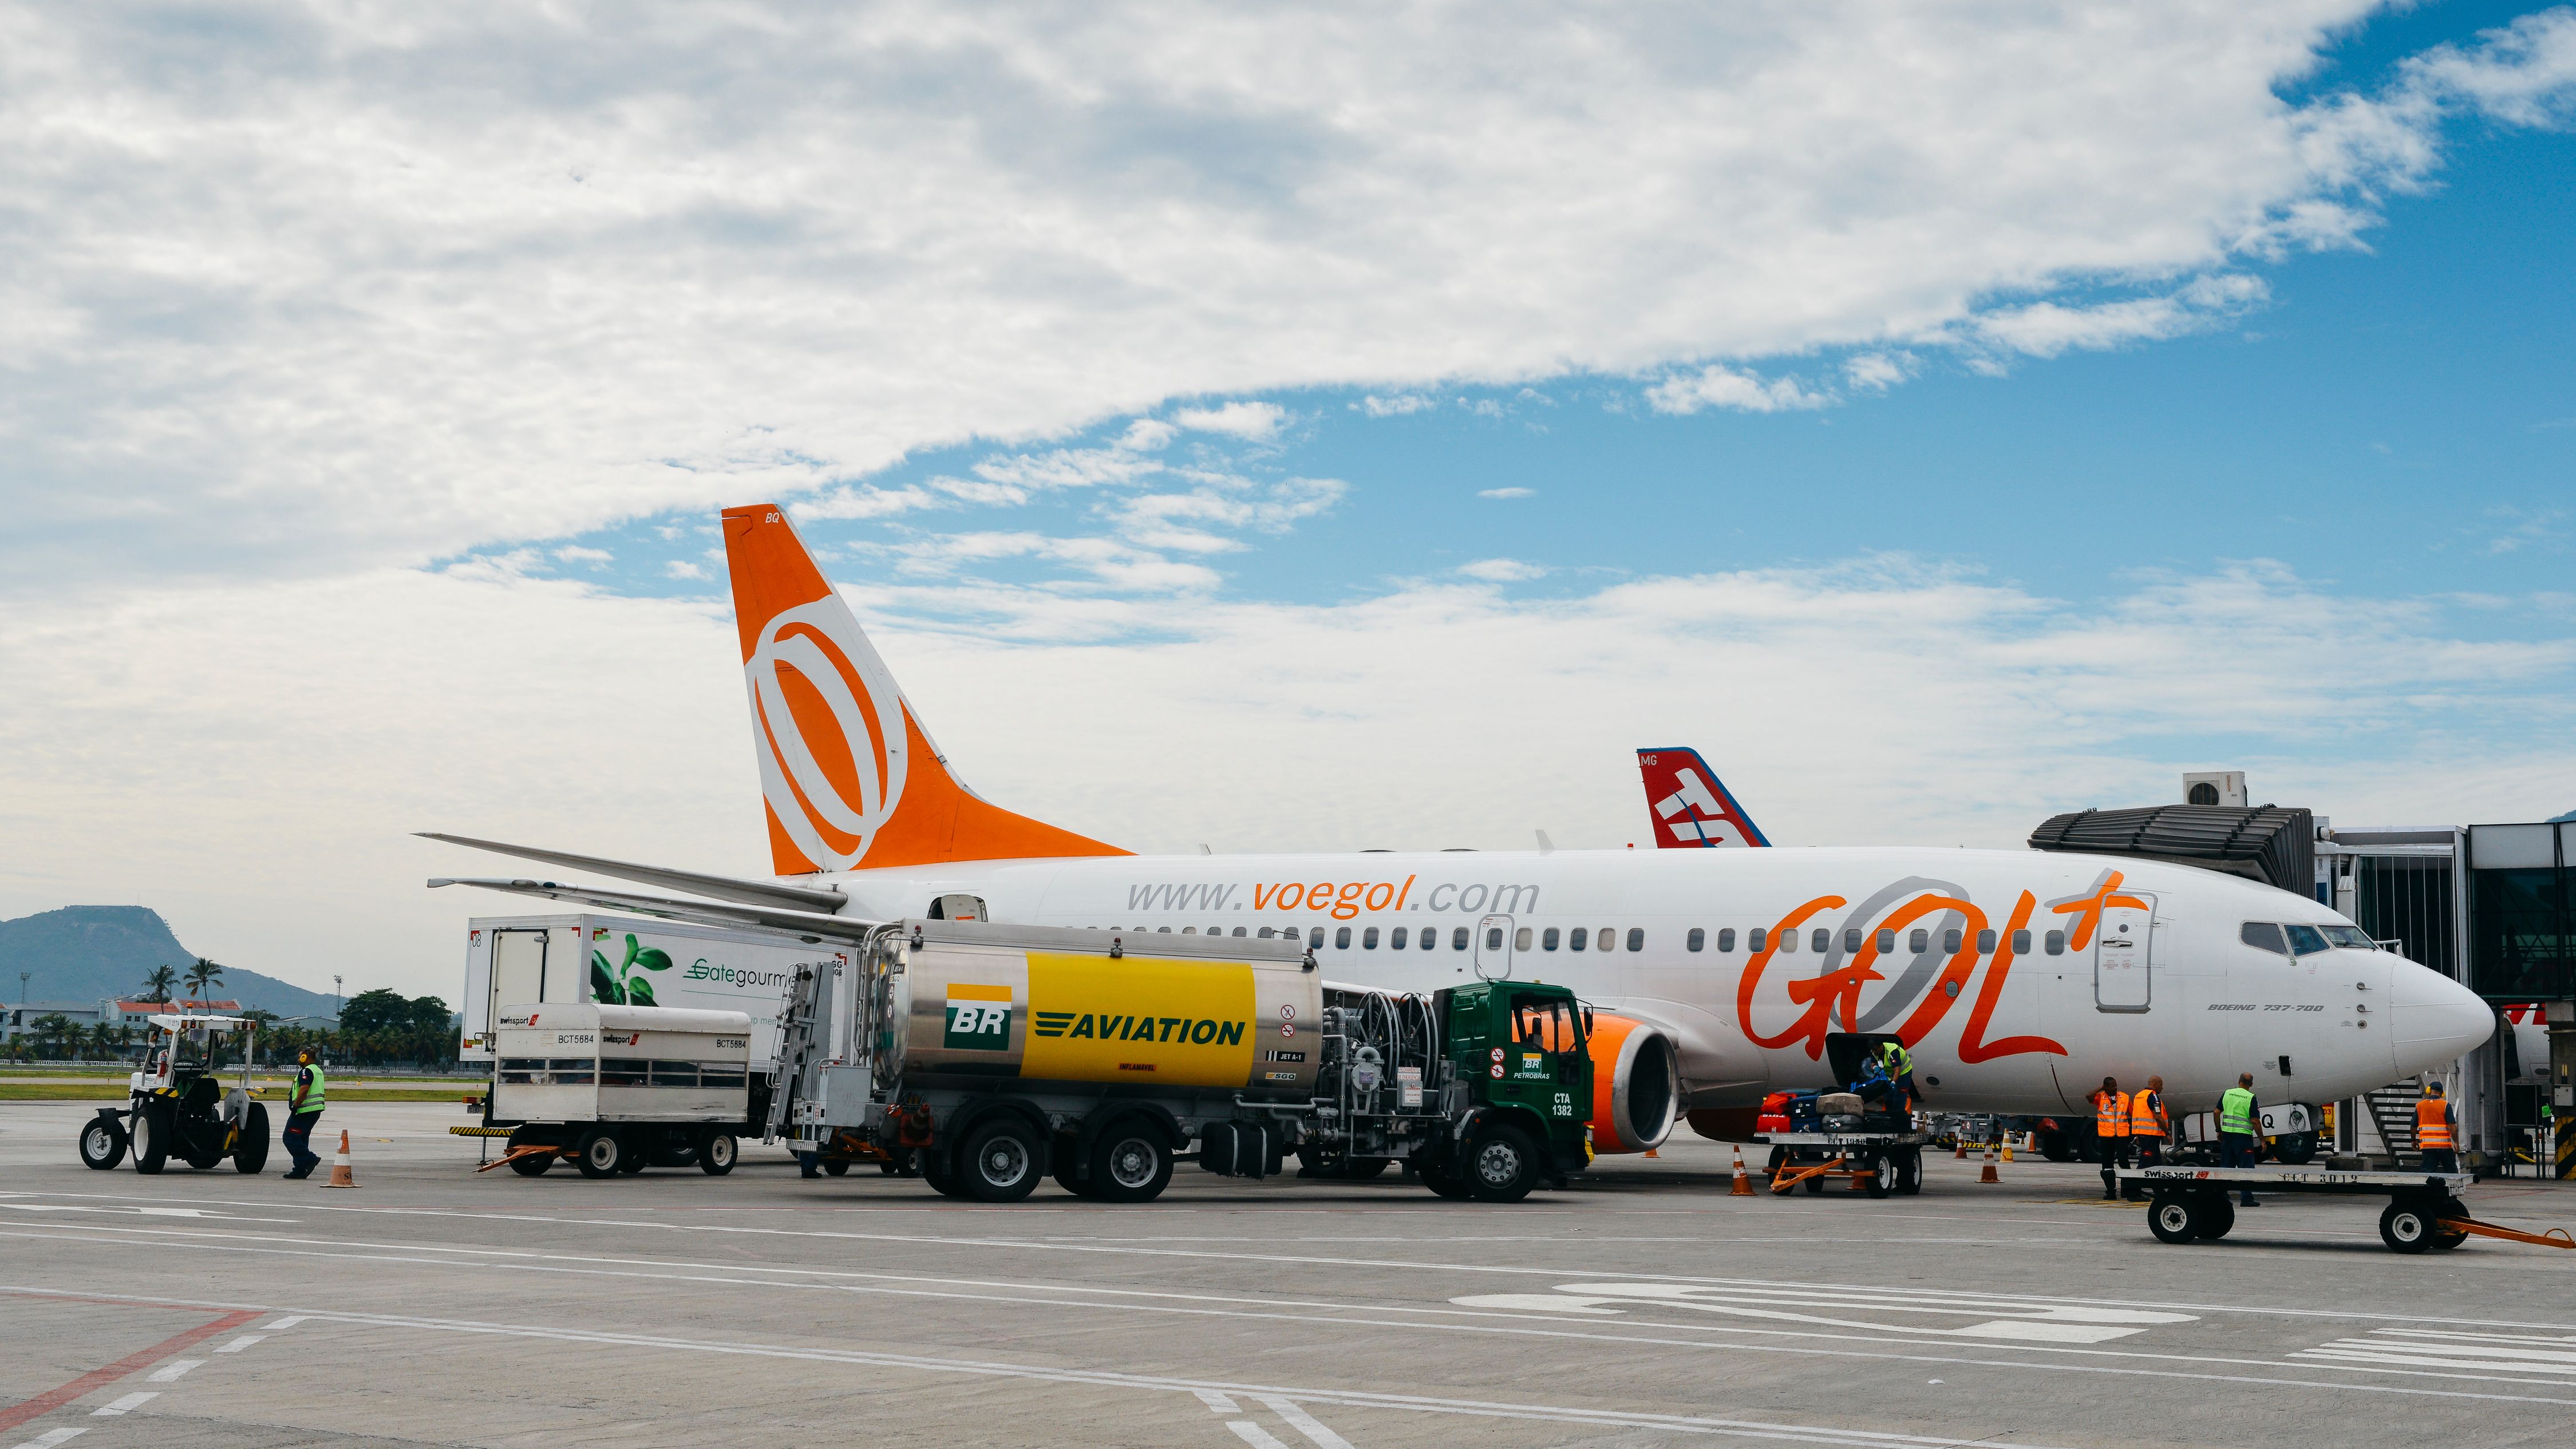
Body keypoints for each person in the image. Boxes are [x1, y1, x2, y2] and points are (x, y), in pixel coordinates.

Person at [281, 1048, 327, 1180]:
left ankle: (310, 1159)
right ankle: (300, 1169)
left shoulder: (306, 1071)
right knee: (301, 1139)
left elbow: (304, 1089)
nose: (298, 1059)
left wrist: (296, 1106)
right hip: (314, 1111)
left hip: (304, 1111)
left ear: (305, 1057)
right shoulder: (318, 1071)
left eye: (300, 1057)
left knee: (289, 1138)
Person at [2218, 1072, 2262, 1207]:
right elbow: (2255, 1121)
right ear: (2252, 1085)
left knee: (2226, 1167)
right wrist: (2263, 1139)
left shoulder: (2228, 1093)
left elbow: (2216, 1112)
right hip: (2243, 1138)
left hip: (2227, 1136)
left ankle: (2221, 1196)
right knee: (2246, 1168)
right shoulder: (2251, 1097)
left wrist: (2218, 1130)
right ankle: (2247, 1199)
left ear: (2239, 1081)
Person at [2127, 1075, 2169, 1200]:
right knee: (2145, 1164)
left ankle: (2160, 1193)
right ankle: (2133, 1192)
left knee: (2157, 1165)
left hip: (2144, 1136)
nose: (2163, 1088)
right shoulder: (2153, 1096)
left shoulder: (2139, 1096)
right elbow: (2158, 1117)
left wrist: (2138, 1135)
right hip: (2150, 1136)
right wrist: (2167, 1133)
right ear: (2155, 1085)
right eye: (2161, 1085)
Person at [2090, 1076, 2132, 1201]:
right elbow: (2089, 1097)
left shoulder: (2124, 1097)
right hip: (2106, 1135)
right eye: (2112, 1086)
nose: (2115, 1087)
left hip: (2121, 1135)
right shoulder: (2100, 1098)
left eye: (2116, 1085)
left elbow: (2132, 1113)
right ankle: (2111, 1191)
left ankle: (2127, 1189)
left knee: (2124, 1161)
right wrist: (2101, 1089)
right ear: (2106, 1087)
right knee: (2107, 1164)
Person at [2415, 1081, 2459, 1175]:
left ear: (2429, 1090)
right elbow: (2452, 1126)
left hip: (2428, 1147)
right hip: (2445, 1147)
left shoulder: (2420, 1106)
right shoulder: (2445, 1105)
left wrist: (2413, 1141)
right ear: (2442, 1093)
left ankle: (2430, 1189)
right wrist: (2456, 1142)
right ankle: (2451, 1189)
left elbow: (2413, 1126)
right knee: (2451, 1172)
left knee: (2428, 1174)